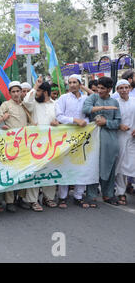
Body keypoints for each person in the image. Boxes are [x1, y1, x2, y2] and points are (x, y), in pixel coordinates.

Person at [82, 77, 121, 206]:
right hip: (93, 138)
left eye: (102, 88)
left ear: (110, 89)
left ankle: (108, 194)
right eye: (98, 87)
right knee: (93, 166)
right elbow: (86, 109)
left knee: (109, 166)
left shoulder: (114, 102)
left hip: (109, 139)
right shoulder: (94, 98)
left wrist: (106, 122)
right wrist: (102, 107)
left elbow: (118, 122)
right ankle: (91, 195)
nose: (99, 90)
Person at [22, 78, 59, 211]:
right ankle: (32, 200)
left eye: (39, 91)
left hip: (52, 143)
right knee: (35, 172)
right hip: (35, 144)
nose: (36, 93)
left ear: (46, 92)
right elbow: (26, 101)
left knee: (50, 171)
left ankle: (48, 197)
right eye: (36, 91)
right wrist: (35, 86)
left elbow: (61, 119)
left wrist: (58, 123)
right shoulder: (34, 105)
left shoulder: (55, 104)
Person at [55, 74, 92, 209]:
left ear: (80, 84)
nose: (72, 85)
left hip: (83, 137)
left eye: (75, 82)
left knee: (81, 166)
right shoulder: (63, 98)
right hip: (65, 137)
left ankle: (78, 196)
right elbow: (59, 116)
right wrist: (75, 120)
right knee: (65, 166)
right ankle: (62, 197)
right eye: (69, 82)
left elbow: (89, 116)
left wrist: (85, 122)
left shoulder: (86, 99)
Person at [0, 81, 30, 213]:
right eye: (13, 92)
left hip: (24, 144)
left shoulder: (24, 105)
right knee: (11, 172)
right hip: (10, 144)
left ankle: (21, 198)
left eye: (18, 91)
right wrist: (3, 118)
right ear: (9, 93)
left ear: (21, 92)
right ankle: (9, 201)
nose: (16, 94)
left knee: (24, 171)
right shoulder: (5, 105)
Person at [114, 79, 135, 205]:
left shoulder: (134, 101)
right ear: (117, 90)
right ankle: (121, 193)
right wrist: (119, 125)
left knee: (133, 163)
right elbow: (110, 119)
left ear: (130, 88)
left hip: (133, 137)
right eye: (121, 88)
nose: (124, 90)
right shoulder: (114, 103)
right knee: (120, 164)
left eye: (126, 87)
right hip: (119, 136)